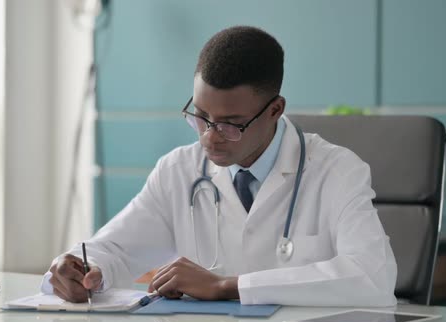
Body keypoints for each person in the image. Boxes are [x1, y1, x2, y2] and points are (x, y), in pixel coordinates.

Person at [42, 26, 397, 307]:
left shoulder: (336, 171)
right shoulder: (179, 170)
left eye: (230, 124)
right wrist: (79, 268)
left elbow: (372, 277)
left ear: (275, 110)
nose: (209, 137)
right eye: (200, 116)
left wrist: (228, 286)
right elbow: (116, 250)